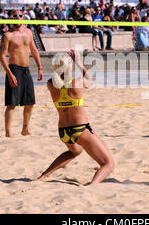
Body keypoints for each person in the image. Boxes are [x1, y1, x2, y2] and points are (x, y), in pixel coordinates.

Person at [38, 49, 114, 185]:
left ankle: (44, 175)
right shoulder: (77, 83)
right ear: (70, 67)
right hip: (80, 129)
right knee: (109, 164)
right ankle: (93, 186)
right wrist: (79, 62)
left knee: (75, 151)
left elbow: (59, 79)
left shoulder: (51, 84)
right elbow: (91, 80)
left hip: (63, 132)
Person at [0, 9, 43, 138]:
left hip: (26, 70)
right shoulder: (7, 36)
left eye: (20, 15)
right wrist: (10, 74)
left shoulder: (28, 32)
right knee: (12, 104)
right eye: (15, 16)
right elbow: (2, 57)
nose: (18, 17)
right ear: (11, 18)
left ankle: (25, 129)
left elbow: (34, 50)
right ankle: (8, 132)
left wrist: (40, 67)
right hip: (14, 69)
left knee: (30, 102)